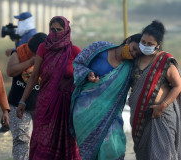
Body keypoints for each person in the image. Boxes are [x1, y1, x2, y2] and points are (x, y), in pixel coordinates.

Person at [17, 16, 81, 160]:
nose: (56, 32)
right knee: (42, 140)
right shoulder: (43, 48)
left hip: (66, 105)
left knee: (67, 142)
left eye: (59, 29)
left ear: (67, 30)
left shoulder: (74, 51)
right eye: (53, 29)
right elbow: (34, 76)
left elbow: (84, 75)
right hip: (45, 103)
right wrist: (22, 101)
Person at [70, 33, 142, 160]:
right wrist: (88, 73)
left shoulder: (131, 67)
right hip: (85, 113)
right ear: (128, 40)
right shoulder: (99, 48)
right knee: (87, 153)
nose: (134, 54)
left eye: (138, 54)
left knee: (113, 149)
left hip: (111, 115)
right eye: (134, 48)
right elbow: (78, 63)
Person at [128, 20, 181, 160]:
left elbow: (177, 85)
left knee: (163, 155)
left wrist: (162, 106)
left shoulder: (165, 61)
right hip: (140, 116)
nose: (145, 46)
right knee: (144, 154)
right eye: (143, 42)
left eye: (149, 44)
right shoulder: (135, 59)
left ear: (158, 45)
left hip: (161, 115)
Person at [7, 32, 47, 160]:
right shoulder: (19, 53)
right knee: (22, 140)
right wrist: (30, 61)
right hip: (17, 105)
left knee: (41, 142)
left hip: (41, 107)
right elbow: (10, 71)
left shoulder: (51, 57)